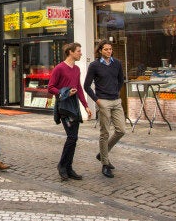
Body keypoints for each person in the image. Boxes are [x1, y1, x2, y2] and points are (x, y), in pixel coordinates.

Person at [48, 42, 92, 181]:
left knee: (74, 138)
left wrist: (85, 105)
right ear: (71, 52)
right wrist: (63, 92)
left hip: (74, 106)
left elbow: (78, 87)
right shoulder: (59, 68)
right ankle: (62, 166)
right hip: (63, 106)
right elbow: (51, 87)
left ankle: (69, 168)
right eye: (78, 51)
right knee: (72, 137)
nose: (80, 53)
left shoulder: (77, 69)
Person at [83, 40, 126, 178]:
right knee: (104, 133)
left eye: (110, 49)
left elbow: (121, 80)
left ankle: (102, 153)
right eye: (106, 49)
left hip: (116, 101)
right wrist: (97, 100)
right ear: (100, 50)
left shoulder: (117, 63)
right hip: (103, 101)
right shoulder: (94, 65)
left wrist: (116, 92)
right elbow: (86, 86)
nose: (109, 51)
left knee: (121, 130)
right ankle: (105, 164)